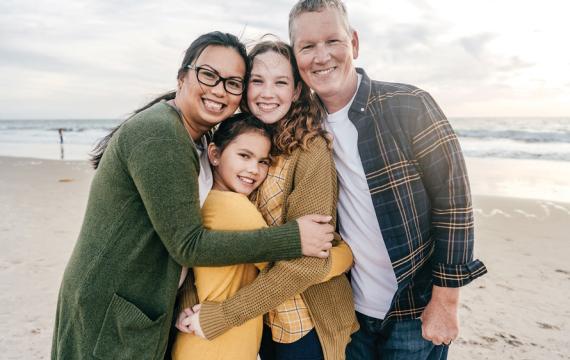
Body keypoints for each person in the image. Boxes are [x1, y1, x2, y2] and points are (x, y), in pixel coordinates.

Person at [50, 32, 335, 360]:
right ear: (182, 77)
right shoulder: (162, 136)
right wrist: (295, 239)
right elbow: (188, 245)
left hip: (137, 306)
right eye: (209, 75)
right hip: (112, 312)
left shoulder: (196, 140)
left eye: (232, 82)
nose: (218, 89)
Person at [286, 1, 488, 359]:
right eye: (307, 46)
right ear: (295, 55)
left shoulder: (409, 105)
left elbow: (454, 202)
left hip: (414, 307)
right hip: (350, 309)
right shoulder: (303, 126)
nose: (321, 57)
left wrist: (447, 300)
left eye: (332, 41)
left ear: (354, 43)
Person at [176, 40, 358, 360]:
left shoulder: (309, 149)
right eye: (257, 81)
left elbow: (309, 258)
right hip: (261, 325)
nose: (267, 93)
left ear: (297, 91)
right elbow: (201, 239)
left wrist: (224, 315)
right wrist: (190, 300)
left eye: (281, 82)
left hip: (305, 322)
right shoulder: (241, 144)